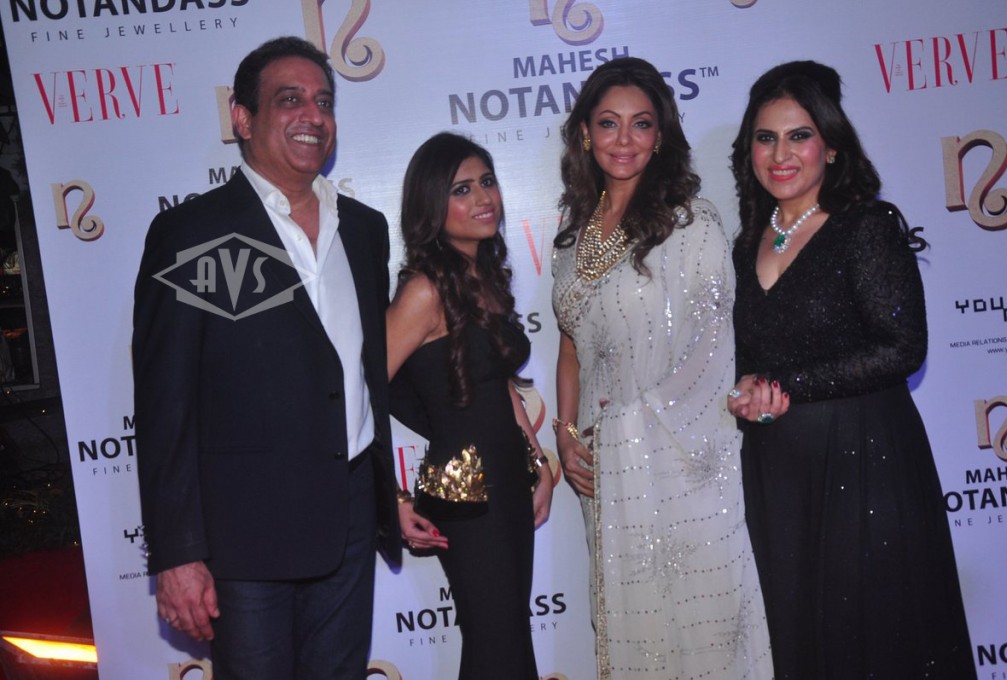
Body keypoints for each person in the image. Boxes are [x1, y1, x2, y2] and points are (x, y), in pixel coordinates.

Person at [133, 37, 400, 680]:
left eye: (324, 102)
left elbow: (363, 374)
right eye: (289, 100)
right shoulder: (194, 233)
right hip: (243, 539)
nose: (313, 115)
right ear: (243, 118)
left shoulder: (364, 229)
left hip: (348, 521)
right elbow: (166, 405)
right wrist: (177, 553)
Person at [728, 60, 976, 679]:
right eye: (765, 137)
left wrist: (788, 386)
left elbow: (902, 347)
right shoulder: (747, 242)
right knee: (800, 640)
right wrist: (745, 389)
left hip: (865, 465)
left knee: (875, 639)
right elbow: (752, 356)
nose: (780, 154)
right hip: (780, 471)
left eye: (799, 136)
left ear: (832, 146)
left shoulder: (865, 227)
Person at [551, 57, 773, 680]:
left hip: (681, 464)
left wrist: (627, 427)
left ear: (660, 135)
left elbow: (711, 348)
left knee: (699, 626)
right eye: (609, 123)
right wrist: (565, 434)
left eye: (641, 124)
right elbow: (571, 345)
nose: (624, 140)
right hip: (601, 470)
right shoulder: (571, 234)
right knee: (632, 630)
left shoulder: (691, 221)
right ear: (585, 133)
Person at [386, 132, 553, 680]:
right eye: (462, 189)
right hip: (465, 491)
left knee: (506, 646)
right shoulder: (425, 291)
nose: (483, 198)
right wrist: (389, 498)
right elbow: (356, 397)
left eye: (487, 182)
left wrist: (539, 464)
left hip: (507, 481)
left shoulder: (484, 277)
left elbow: (498, 386)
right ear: (431, 205)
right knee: (496, 646)